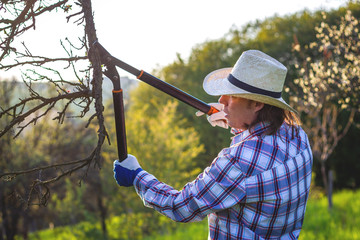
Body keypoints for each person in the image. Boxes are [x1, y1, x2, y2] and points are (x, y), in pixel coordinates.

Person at [113, 50, 313, 240]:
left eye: (232, 96)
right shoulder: (297, 136)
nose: (221, 100)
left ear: (257, 104)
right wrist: (235, 123)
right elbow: (259, 151)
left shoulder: (237, 162)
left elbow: (181, 206)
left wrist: (137, 176)